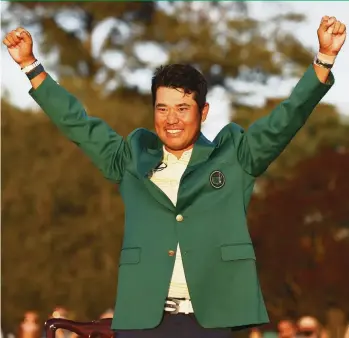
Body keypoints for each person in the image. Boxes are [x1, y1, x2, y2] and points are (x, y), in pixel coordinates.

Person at [2, 15, 346, 338]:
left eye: (183, 108)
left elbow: (285, 120)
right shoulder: (131, 157)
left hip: (209, 321)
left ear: (203, 112)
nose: (171, 119)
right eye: (162, 108)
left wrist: (324, 58)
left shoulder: (236, 156)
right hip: (142, 320)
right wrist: (31, 66)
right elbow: (78, 123)